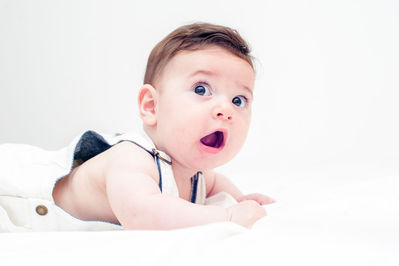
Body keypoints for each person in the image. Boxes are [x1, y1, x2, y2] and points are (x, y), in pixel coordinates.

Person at [0, 22, 274, 232]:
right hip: (16, 195)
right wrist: (226, 216)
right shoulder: (132, 159)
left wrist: (240, 199)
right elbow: (141, 213)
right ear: (151, 107)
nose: (225, 110)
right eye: (201, 89)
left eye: (239, 100)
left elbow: (215, 183)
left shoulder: (198, 173)